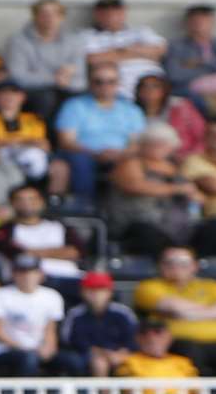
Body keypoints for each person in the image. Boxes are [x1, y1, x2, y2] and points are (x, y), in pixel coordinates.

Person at [131, 246, 216, 377]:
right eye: (169, 262)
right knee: (191, 355)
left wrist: (186, 314)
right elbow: (174, 307)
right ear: (160, 265)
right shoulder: (148, 286)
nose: (175, 266)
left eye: (183, 262)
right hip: (180, 342)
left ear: (194, 266)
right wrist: (213, 312)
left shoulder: (212, 285)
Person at [105, 122, 201, 256]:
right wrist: (175, 189)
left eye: (163, 144)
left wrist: (194, 195)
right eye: (153, 143)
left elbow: (196, 195)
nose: (158, 148)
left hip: (176, 226)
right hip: (138, 222)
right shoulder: (131, 163)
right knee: (150, 235)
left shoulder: (174, 168)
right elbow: (134, 186)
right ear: (143, 144)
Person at [53, 64, 144, 202]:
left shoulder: (131, 109)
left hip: (121, 155)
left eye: (111, 81)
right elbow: (66, 141)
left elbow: (137, 142)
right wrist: (95, 153)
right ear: (90, 83)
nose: (105, 86)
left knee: (134, 162)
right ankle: (84, 206)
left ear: (118, 83)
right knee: (80, 160)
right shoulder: (74, 105)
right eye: (98, 81)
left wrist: (119, 154)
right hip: (83, 153)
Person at [0, 184, 85, 298]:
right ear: (12, 204)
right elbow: (16, 254)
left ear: (41, 202)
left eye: (32, 199)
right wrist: (59, 251)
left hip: (70, 277)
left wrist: (34, 252)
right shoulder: (5, 230)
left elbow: (77, 251)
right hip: (30, 281)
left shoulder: (59, 226)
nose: (27, 203)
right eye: (21, 200)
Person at [3, 0, 88, 118]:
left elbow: (81, 80)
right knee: (46, 98)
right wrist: (54, 79)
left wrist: (65, 80)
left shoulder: (75, 40)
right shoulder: (18, 41)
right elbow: (18, 76)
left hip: (68, 88)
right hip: (33, 90)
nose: (49, 18)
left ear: (62, 17)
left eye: (55, 13)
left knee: (79, 98)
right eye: (44, 13)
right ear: (34, 16)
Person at [0, 256, 64, 376]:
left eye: (31, 271)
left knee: (73, 361)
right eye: (21, 272)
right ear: (13, 274)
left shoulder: (52, 296)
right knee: (29, 358)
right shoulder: (1, 294)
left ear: (41, 274)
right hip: (3, 349)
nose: (27, 276)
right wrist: (24, 348)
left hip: (36, 349)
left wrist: (49, 348)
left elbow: (50, 330)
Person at [83, 0, 166, 99]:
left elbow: (160, 50)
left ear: (124, 13)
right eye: (106, 14)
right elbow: (92, 59)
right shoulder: (88, 35)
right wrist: (139, 51)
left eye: (116, 13)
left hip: (152, 85)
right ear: (97, 15)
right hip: (116, 90)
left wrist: (118, 52)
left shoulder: (141, 31)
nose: (111, 17)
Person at [163, 5, 216, 108]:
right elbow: (174, 74)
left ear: (213, 22)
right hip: (193, 94)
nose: (199, 25)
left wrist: (203, 63)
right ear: (187, 23)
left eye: (204, 21)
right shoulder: (176, 47)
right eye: (195, 21)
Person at [57, 271, 137, 376]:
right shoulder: (76, 314)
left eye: (101, 290)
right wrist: (105, 354)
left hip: (122, 354)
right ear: (82, 292)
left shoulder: (123, 313)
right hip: (87, 355)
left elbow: (134, 339)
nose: (96, 294)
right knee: (99, 362)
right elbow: (70, 340)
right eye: (91, 290)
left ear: (110, 292)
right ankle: (104, 393)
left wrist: (122, 353)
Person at [0, 81, 53, 182]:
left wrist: (7, 142)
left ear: (22, 97)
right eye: (3, 93)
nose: (9, 97)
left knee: (32, 154)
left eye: (14, 93)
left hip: (29, 165)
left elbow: (43, 146)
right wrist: (24, 141)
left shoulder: (34, 120)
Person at [133, 72, 207, 158]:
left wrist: (190, 156)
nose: (149, 90)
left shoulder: (181, 107)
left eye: (155, 86)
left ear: (164, 90)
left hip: (183, 155)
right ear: (138, 91)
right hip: (145, 158)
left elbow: (202, 135)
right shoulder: (130, 112)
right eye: (144, 86)